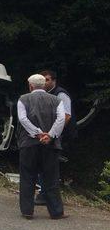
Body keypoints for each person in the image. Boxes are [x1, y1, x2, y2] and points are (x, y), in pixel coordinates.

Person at [16, 74, 67, 219]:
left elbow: (22, 119)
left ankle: (27, 211)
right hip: (50, 145)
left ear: (30, 86)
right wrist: (50, 135)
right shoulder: (57, 100)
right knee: (51, 177)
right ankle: (56, 212)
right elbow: (61, 118)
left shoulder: (23, 99)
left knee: (27, 176)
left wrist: (37, 133)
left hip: (29, 143)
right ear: (44, 85)